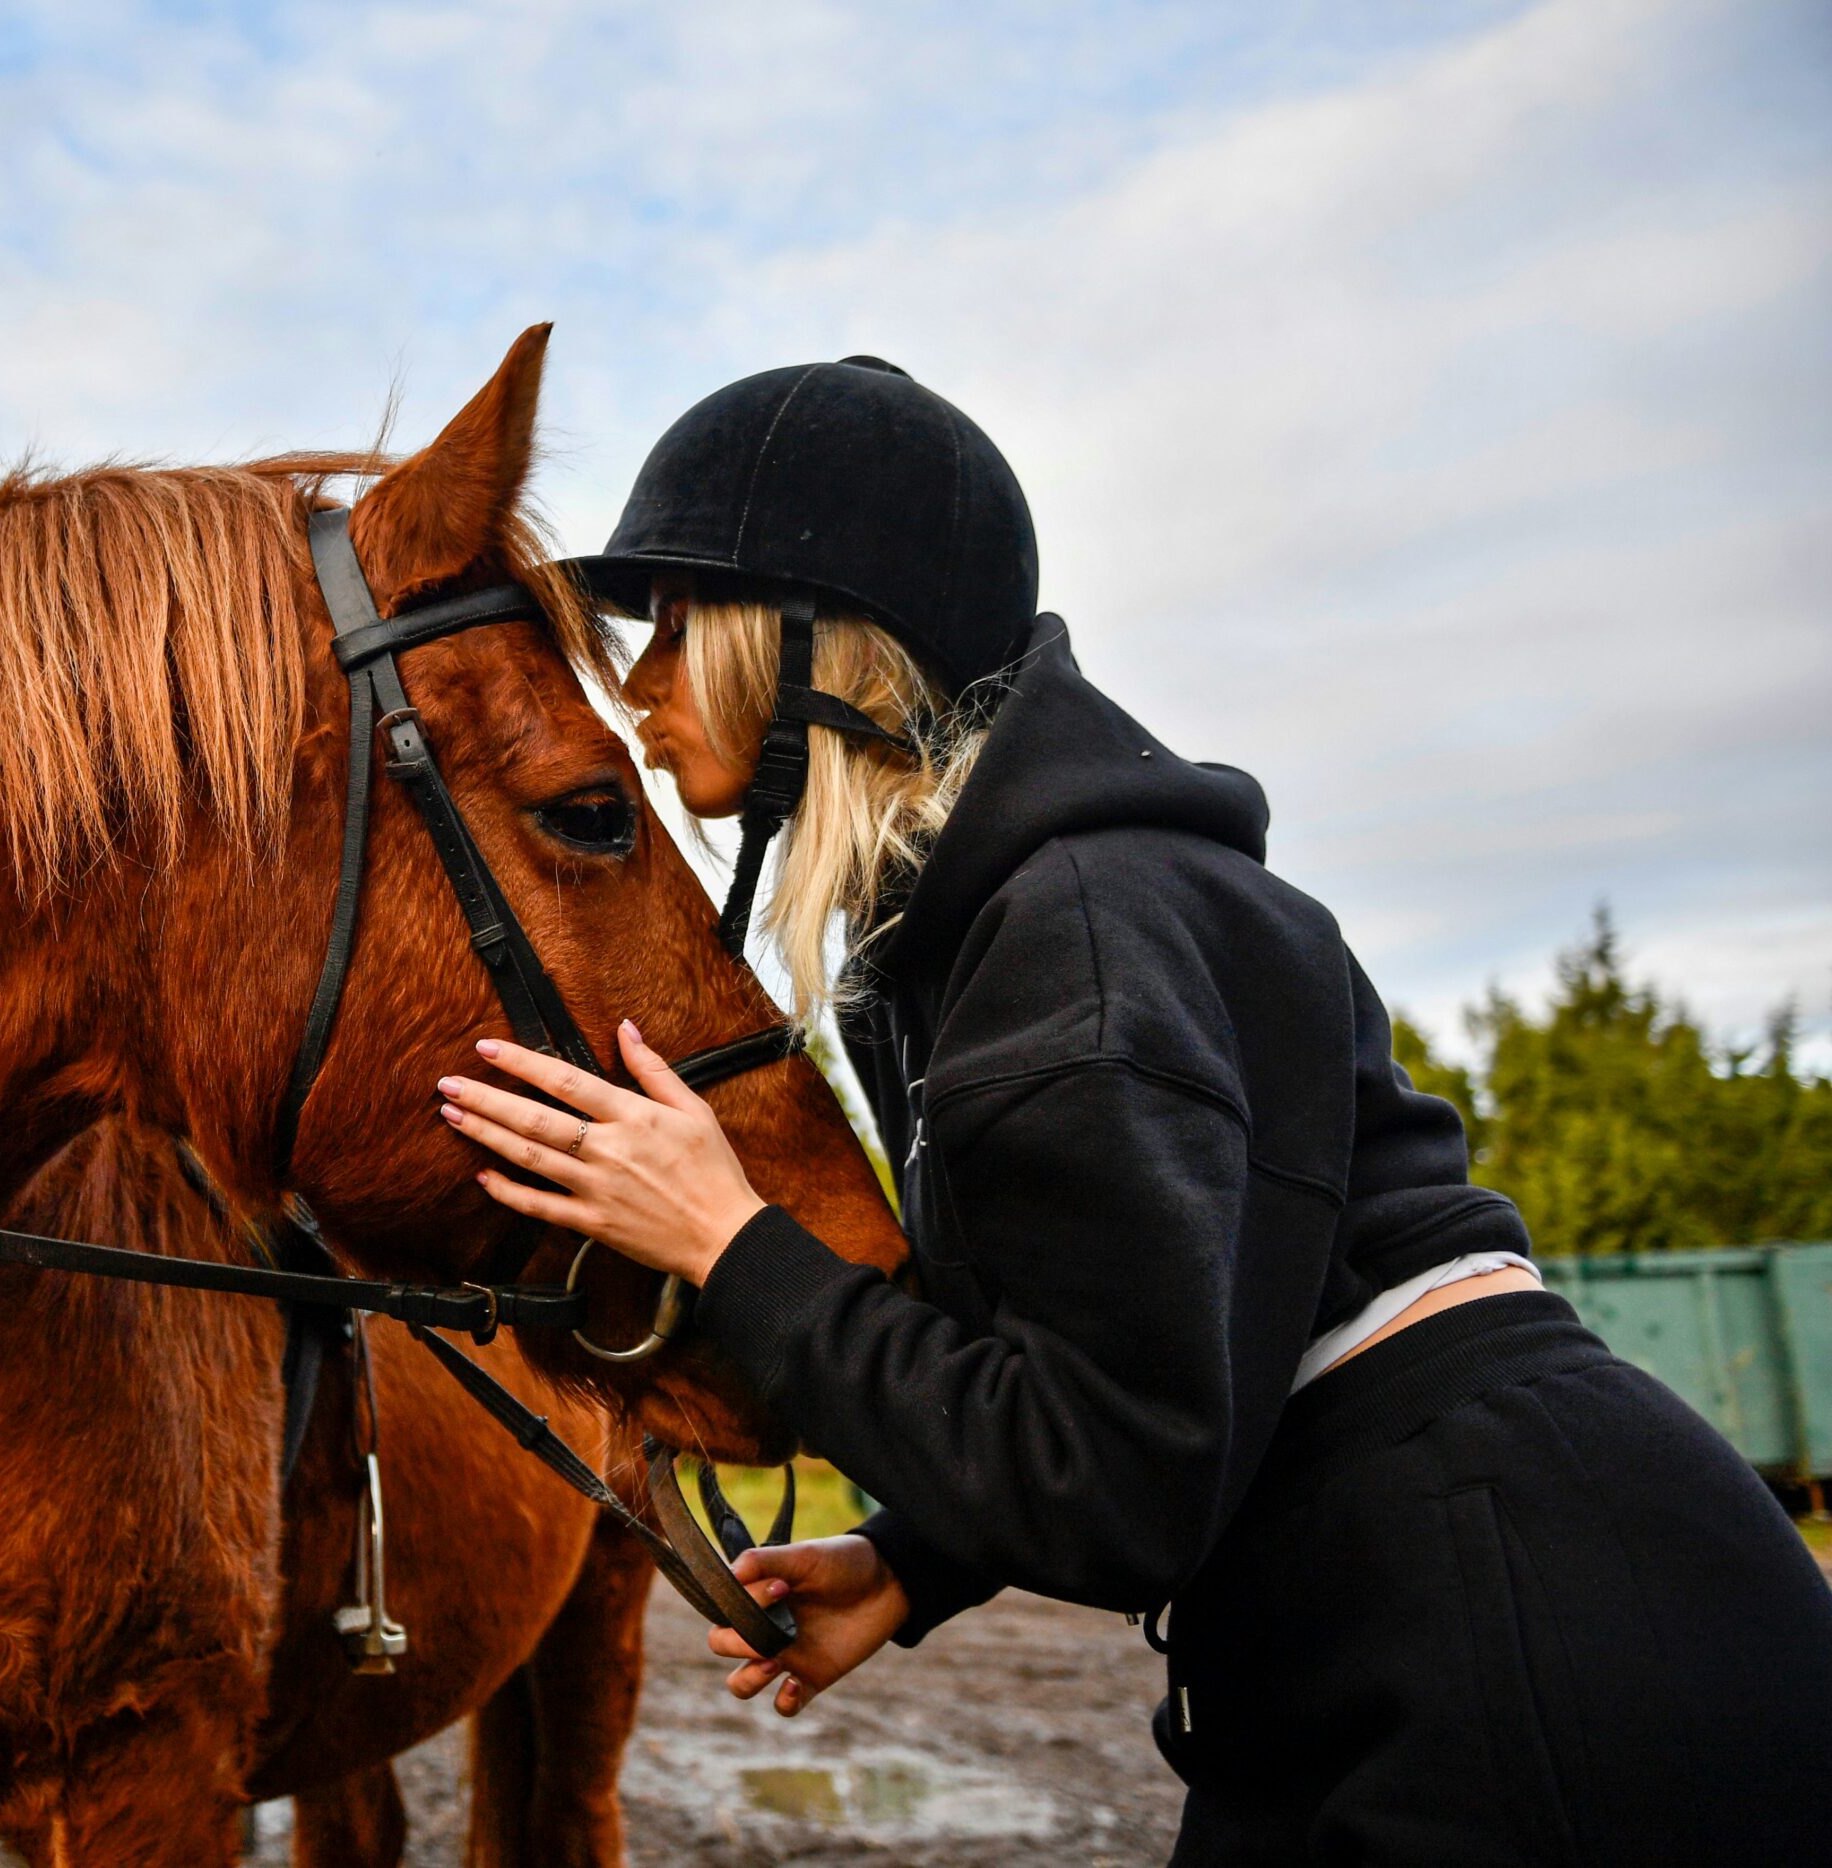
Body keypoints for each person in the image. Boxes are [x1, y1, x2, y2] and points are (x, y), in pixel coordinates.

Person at [433, 357, 1832, 1865]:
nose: (636, 687)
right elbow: (1116, 1365)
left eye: (676, 629)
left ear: (818, 643)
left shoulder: (1075, 938)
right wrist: (916, 1563)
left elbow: (1115, 1489)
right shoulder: (1009, 923)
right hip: (1411, 1583)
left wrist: (731, 1244)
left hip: (1518, 1636)